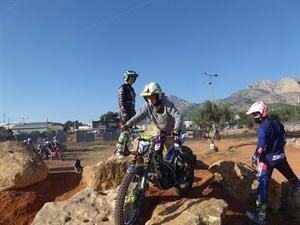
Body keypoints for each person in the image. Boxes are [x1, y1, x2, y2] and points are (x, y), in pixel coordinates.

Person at [245, 100, 300, 225]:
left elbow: (261, 146)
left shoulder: (261, 128)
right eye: (253, 114)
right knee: (295, 181)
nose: (254, 117)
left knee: (262, 188)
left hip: (267, 162)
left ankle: (260, 218)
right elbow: (284, 140)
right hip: (281, 159)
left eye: (256, 114)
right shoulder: (279, 124)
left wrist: (255, 157)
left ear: (263, 112)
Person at [122, 82, 184, 159]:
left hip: (174, 131)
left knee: (177, 150)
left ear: (158, 96)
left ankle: (181, 168)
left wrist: (176, 129)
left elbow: (178, 116)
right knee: (156, 151)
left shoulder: (167, 103)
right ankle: (161, 169)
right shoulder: (147, 106)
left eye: (152, 98)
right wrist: (127, 125)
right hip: (162, 131)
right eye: (148, 98)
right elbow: (138, 117)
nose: (150, 100)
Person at [116, 70, 139, 158]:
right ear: (127, 78)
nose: (132, 80)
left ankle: (125, 149)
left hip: (131, 110)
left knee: (129, 131)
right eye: (131, 78)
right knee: (124, 131)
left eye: (133, 79)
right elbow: (121, 100)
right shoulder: (123, 87)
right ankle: (119, 151)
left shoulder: (131, 89)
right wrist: (123, 110)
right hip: (124, 111)